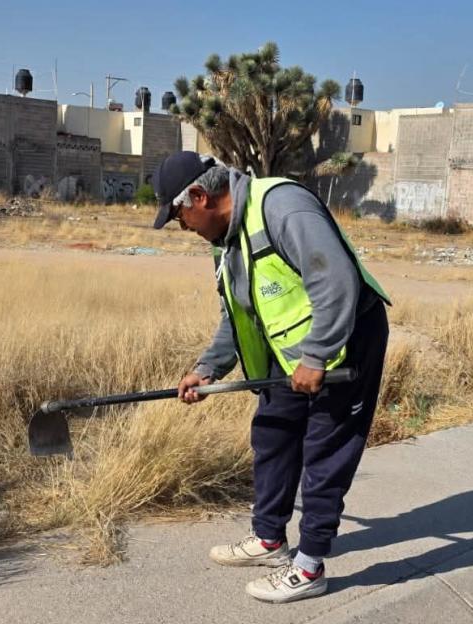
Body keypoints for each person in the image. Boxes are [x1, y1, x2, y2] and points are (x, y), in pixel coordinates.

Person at [151, 151, 391, 604]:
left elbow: (335, 278)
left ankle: (310, 566)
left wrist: (317, 357)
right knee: (273, 433)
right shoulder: (228, 240)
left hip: (347, 338)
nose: (184, 228)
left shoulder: (280, 207)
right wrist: (207, 368)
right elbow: (238, 314)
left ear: (199, 196)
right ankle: (269, 541)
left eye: (180, 217)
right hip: (293, 353)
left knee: (326, 450)